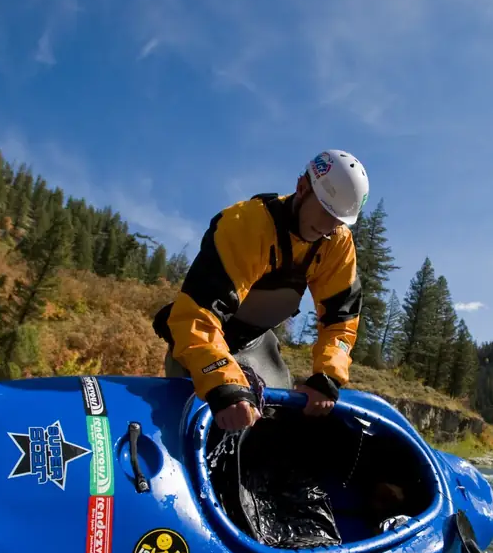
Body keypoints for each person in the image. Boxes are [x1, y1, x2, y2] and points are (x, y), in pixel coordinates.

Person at [153, 149, 369, 431]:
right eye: (325, 210)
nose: (329, 227)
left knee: (273, 431)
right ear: (302, 188)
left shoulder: (336, 242)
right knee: (196, 427)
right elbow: (197, 315)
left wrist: (328, 376)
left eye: (339, 219)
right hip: (201, 342)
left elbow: (341, 322)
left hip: (257, 345)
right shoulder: (245, 225)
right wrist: (223, 385)